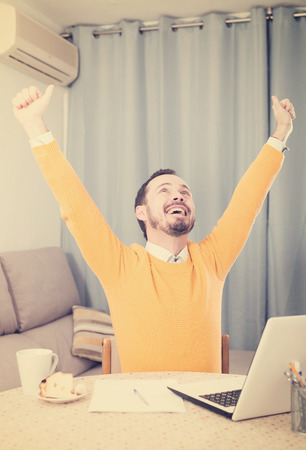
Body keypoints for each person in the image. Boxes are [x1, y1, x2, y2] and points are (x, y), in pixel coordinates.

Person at [12, 85, 295, 373]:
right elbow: (76, 206)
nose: (178, 195)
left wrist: (281, 132)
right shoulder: (120, 266)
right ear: (142, 212)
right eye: (164, 190)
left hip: (206, 410)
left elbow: (248, 202)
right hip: (143, 411)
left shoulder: (211, 260)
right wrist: (35, 125)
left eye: (185, 191)